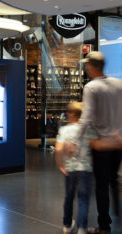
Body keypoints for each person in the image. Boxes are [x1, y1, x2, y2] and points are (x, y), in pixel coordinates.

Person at [69, 52, 122, 234]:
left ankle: (104, 226)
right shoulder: (118, 84)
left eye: (87, 65)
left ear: (91, 67)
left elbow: (86, 117)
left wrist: (75, 141)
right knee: (114, 180)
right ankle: (119, 215)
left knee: (101, 184)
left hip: (101, 144)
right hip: (118, 143)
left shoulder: (91, 87)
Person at [55, 102, 97, 234]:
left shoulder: (64, 130)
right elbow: (95, 146)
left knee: (69, 196)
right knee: (83, 199)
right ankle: (81, 228)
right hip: (86, 168)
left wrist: (60, 165)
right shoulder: (88, 129)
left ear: (69, 114)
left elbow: (58, 149)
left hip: (70, 170)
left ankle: (67, 225)